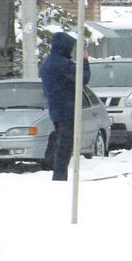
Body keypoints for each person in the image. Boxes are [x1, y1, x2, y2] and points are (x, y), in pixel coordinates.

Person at [39, 31, 90, 181]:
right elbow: (83, 78)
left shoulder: (47, 63)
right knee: (65, 146)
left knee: (61, 142)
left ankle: (57, 172)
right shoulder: (62, 64)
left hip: (56, 108)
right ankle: (59, 176)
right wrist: (84, 61)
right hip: (66, 109)